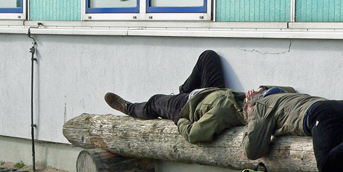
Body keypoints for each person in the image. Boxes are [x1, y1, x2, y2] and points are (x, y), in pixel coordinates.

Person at [104, 50, 248, 143]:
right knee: (208, 56)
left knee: (155, 101)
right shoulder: (244, 103)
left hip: (187, 105)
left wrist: (179, 119)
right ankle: (182, 92)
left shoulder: (222, 113)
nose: (251, 93)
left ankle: (129, 108)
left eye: (253, 99)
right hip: (213, 92)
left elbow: (193, 134)